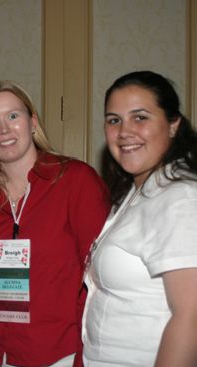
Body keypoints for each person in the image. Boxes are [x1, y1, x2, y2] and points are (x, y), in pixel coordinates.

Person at [0, 81, 110, 367]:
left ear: (33, 122)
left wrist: (84, 360)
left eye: (13, 116)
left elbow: (98, 283)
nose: (4, 129)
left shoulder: (76, 181)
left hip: (59, 356)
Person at [82, 71, 197, 367]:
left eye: (140, 117)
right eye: (113, 120)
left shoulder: (180, 198)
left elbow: (191, 317)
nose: (124, 131)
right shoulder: (135, 193)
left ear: (173, 125)